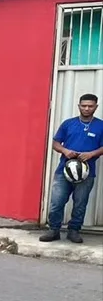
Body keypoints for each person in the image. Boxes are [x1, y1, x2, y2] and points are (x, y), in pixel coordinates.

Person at [41, 93, 103, 244]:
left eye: (90, 106)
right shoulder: (68, 124)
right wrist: (65, 151)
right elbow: (56, 142)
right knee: (57, 202)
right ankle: (53, 230)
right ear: (79, 106)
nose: (87, 108)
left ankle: (74, 231)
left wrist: (91, 154)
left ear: (96, 107)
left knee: (80, 203)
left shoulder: (101, 125)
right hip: (64, 171)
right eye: (84, 106)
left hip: (86, 173)